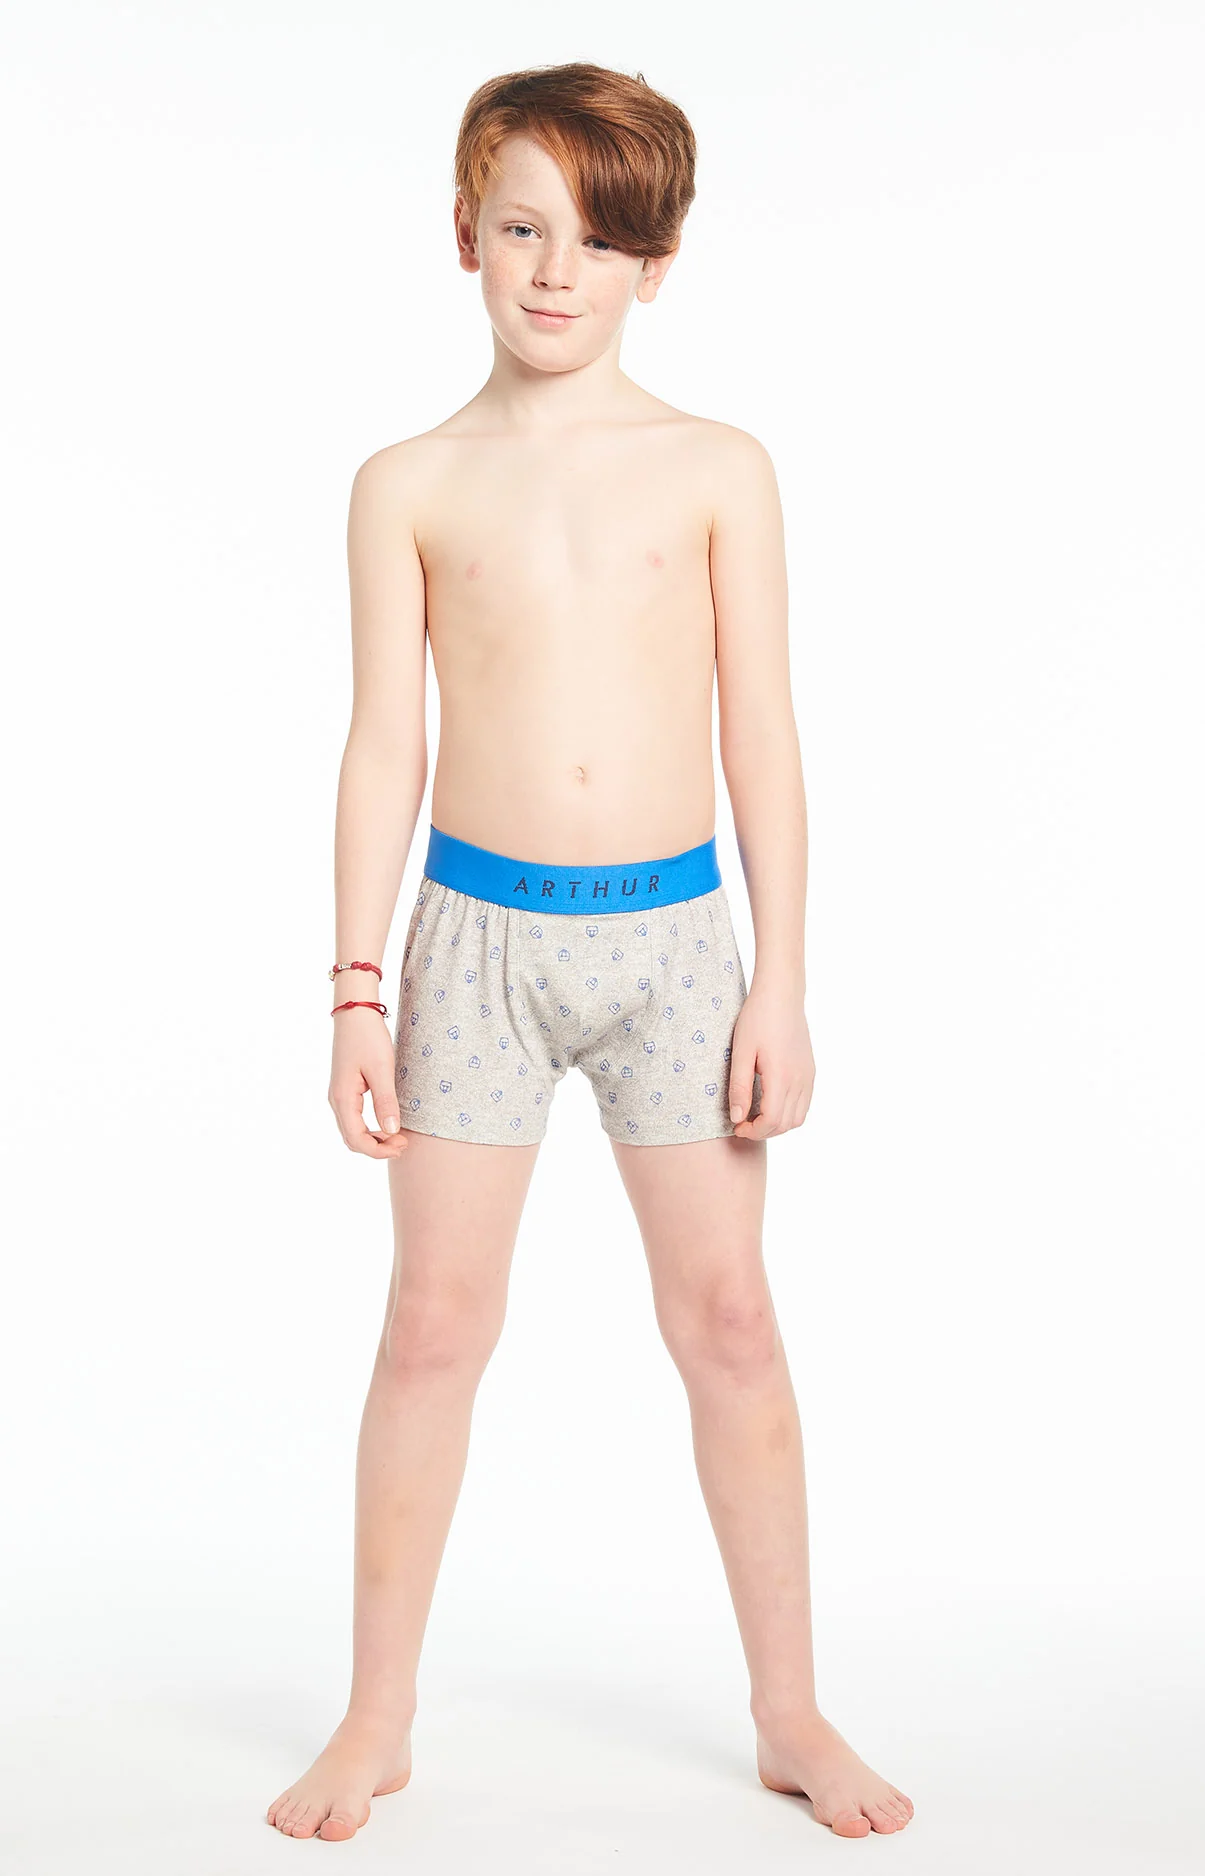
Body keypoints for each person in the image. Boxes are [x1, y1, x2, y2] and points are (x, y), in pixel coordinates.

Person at [267, 60, 914, 1844]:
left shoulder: (717, 469)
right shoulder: (406, 481)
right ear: (462, 232)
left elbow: (764, 733)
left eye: (604, 241)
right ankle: (376, 1716)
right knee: (432, 1325)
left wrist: (783, 979)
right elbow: (383, 748)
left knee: (730, 1319)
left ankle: (789, 1711)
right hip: (470, 944)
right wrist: (356, 988)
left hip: (675, 948)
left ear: (660, 262)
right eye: (525, 229)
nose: (560, 272)